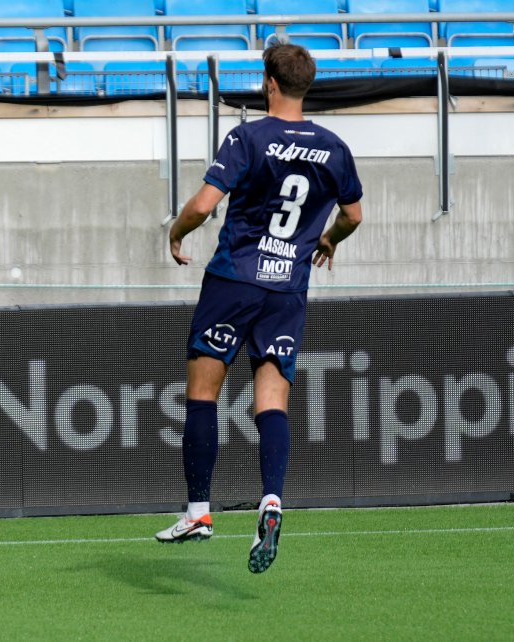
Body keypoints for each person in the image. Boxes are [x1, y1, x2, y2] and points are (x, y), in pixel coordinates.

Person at [155, 43, 364, 574]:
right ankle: (271, 500)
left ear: (269, 81)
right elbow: (354, 215)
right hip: (287, 288)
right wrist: (329, 239)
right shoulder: (334, 147)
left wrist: (176, 233)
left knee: (203, 394)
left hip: (235, 279)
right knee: (271, 401)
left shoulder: (247, 137)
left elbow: (204, 205)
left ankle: (199, 511)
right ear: (305, 85)